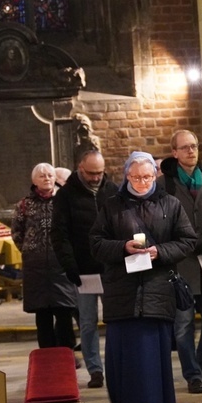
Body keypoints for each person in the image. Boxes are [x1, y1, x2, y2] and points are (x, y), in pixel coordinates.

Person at [90, 151, 196, 403]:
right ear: (126, 175)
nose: (140, 181)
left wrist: (159, 251)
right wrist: (122, 247)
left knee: (154, 358)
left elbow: (187, 241)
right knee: (122, 359)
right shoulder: (111, 205)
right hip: (122, 291)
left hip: (157, 288)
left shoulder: (170, 204)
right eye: (135, 177)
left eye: (147, 176)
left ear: (155, 176)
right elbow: (96, 243)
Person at [157, 130, 202, 394]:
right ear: (174, 152)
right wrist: (184, 240)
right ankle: (193, 374)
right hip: (182, 262)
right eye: (185, 147)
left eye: (195, 146)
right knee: (183, 323)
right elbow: (161, 220)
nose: (191, 151)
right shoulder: (166, 184)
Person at [52, 150, 119, 388]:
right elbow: (60, 235)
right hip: (84, 269)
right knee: (88, 322)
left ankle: (115, 364)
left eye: (99, 173)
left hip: (110, 267)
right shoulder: (66, 195)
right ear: (80, 168)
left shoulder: (111, 191)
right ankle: (95, 369)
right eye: (91, 173)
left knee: (115, 319)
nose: (96, 178)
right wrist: (69, 265)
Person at [11, 163, 78, 351]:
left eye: (49, 175)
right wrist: (30, 248)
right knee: (43, 316)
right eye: (42, 176)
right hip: (36, 268)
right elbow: (17, 232)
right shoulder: (24, 204)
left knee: (64, 312)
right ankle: (47, 358)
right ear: (34, 181)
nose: (47, 178)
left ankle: (66, 355)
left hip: (61, 266)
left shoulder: (65, 201)